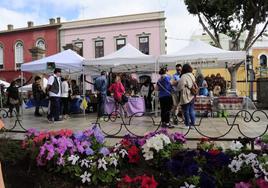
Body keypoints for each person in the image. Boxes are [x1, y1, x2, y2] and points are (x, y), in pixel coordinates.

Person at [178, 64, 196, 128]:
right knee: (191, 110)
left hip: (186, 95)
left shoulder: (184, 76)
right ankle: (193, 124)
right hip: (192, 95)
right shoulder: (192, 75)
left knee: (186, 110)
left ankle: (187, 125)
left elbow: (180, 87)